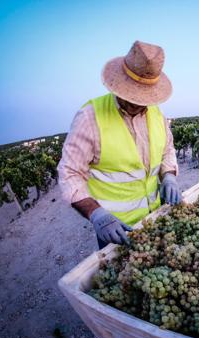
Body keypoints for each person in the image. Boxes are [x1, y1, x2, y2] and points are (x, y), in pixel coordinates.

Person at [58, 41, 181, 250]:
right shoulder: (90, 118)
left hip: (155, 217)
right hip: (116, 228)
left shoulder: (156, 115)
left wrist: (168, 176)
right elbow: (69, 173)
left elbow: (167, 150)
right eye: (131, 94)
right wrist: (96, 214)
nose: (137, 103)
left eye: (143, 98)